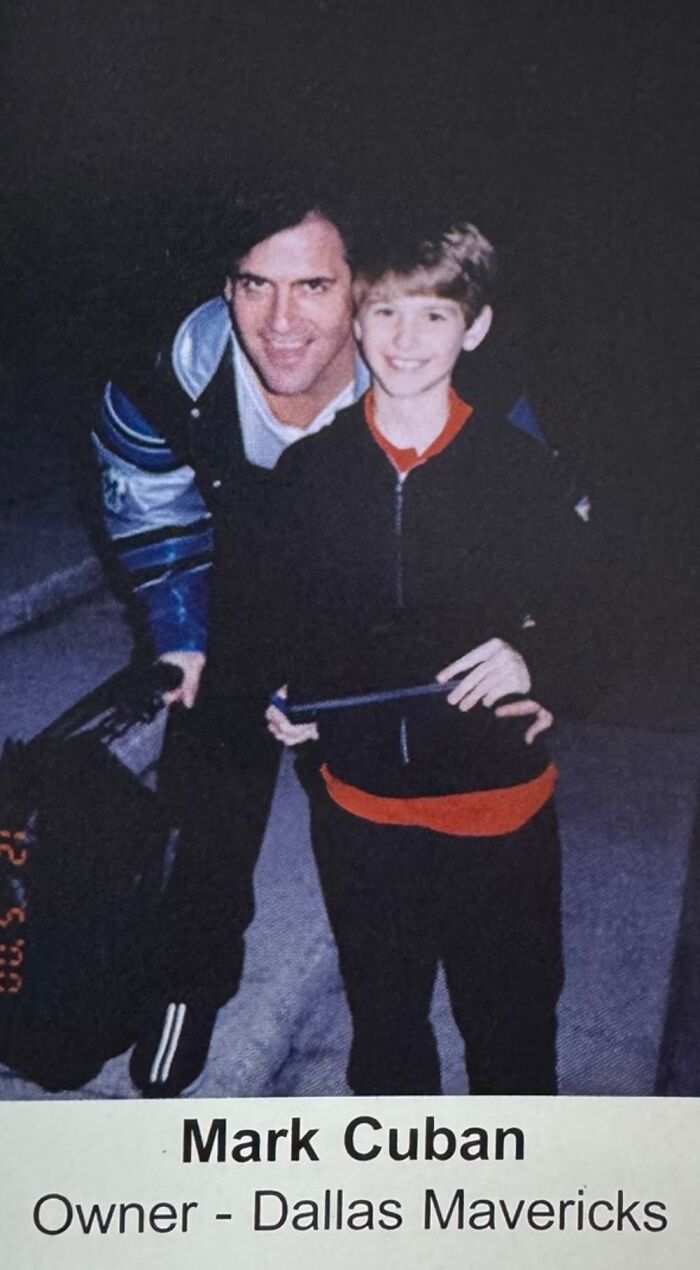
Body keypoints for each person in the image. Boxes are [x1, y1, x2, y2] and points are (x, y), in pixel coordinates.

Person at [92, 178, 551, 1097]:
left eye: (313, 288)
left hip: (368, 595)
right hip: (243, 567)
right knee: (211, 749)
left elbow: (536, 543)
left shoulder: (447, 378)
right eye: (255, 284)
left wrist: (532, 649)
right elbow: (147, 502)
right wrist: (180, 630)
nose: (281, 319)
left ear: (362, 292)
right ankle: (190, 982)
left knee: (379, 781)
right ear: (228, 290)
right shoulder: (165, 373)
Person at [265, 214, 595, 1094]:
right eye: (385, 314)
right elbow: (281, 618)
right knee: (385, 1030)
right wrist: (278, 691)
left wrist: (539, 662)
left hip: (499, 812)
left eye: (436, 316)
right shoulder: (309, 474)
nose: (406, 340)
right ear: (356, 322)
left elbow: (598, 615)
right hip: (362, 814)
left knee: (514, 1028)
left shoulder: (522, 473)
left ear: (475, 327)